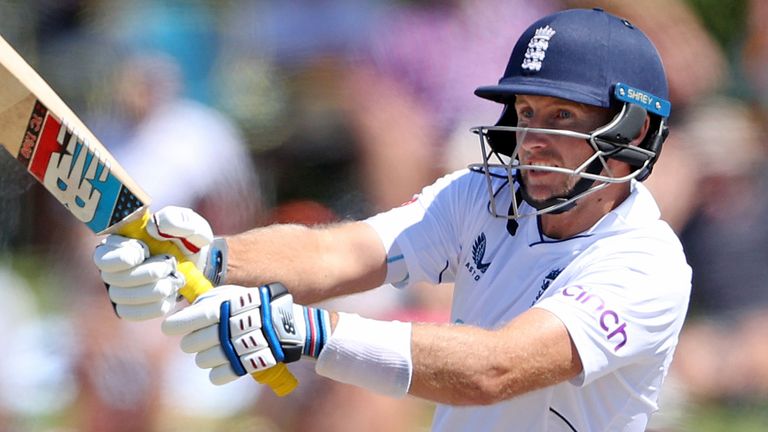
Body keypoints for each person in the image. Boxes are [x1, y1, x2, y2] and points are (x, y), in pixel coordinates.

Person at [92, 8, 691, 431]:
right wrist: (212, 258)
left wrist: (308, 333)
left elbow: (494, 368)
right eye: (527, 112)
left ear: (631, 130)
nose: (532, 139)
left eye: (561, 115)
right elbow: (343, 253)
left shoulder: (646, 263)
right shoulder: (481, 194)